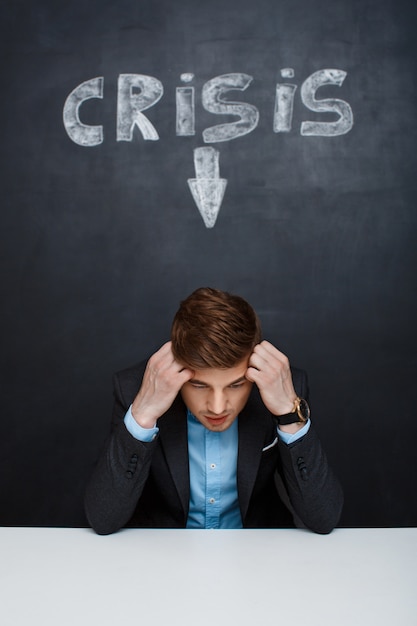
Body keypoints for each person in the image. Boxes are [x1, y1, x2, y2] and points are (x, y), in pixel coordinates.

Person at [85, 287, 343, 534]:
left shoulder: (281, 388)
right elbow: (103, 519)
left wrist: (289, 414)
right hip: (165, 557)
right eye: (198, 385)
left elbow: (323, 518)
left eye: (236, 385)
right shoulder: (135, 389)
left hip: (257, 556)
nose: (217, 407)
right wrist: (142, 413)